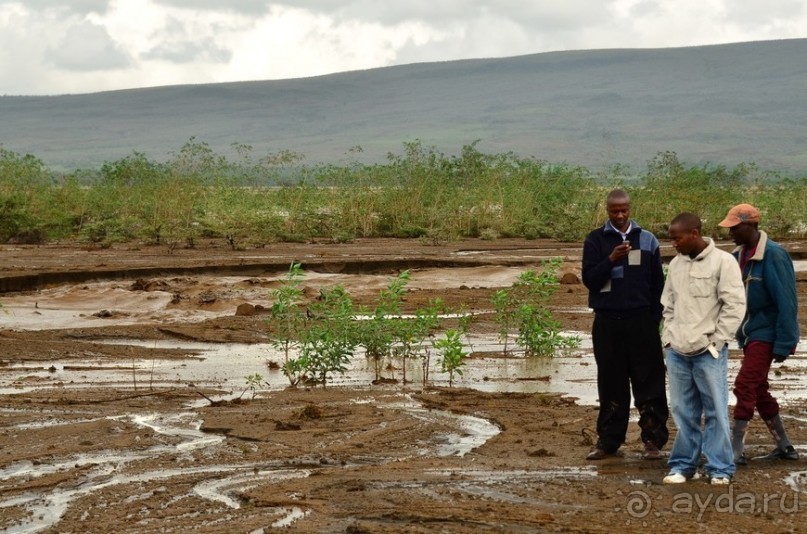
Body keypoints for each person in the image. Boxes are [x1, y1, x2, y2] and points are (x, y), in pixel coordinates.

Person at [582, 189, 669, 461]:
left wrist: (653, 319)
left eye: (624, 210)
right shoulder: (596, 240)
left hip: (642, 322)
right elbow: (590, 280)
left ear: (630, 209)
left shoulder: (648, 239)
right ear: (606, 211)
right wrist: (611, 260)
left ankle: (652, 442)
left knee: (650, 383)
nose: (620, 216)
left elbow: (658, 286)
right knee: (610, 384)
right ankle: (608, 443)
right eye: (614, 211)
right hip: (608, 323)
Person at [661, 212, 746, 485]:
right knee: (683, 411)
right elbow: (669, 305)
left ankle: (720, 468)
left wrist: (717, 342)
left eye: (677, 238)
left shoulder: (724, 262)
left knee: (715, 411)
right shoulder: (675, 264)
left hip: (708, 351)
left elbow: (735, 306)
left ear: (694, 234)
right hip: (678, 351)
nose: (673, 243)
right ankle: (683, 466)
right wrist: (669, 339)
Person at [718, 204, 800, 464]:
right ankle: (785, 446)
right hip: (750, 332)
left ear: (751, 225)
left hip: (767, 332)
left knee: (744, 385)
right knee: (758, 388)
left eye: (735, 227)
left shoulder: (774, 255)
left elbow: (787, 300)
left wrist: (785, 341)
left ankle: (736, 449)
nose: (730, 231)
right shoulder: (736, 256)